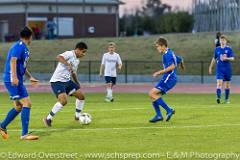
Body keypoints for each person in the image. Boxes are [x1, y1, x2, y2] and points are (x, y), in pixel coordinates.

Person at [0, 26, 39, 140]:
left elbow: (21, 66)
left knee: (19, 107)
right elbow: (13, 60)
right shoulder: (19, 46)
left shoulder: (24, 48)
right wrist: (15, 77)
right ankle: (24, 134)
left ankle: (2, 126)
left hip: (17, 80)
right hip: (13, 80)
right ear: (30, 36)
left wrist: (30, 77)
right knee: (27, 103)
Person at [43, 42, 88, 127]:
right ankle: (48, 118)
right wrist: (67, 64)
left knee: (81, 96)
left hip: (67, 81)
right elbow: (59, 57)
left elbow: (73, 73)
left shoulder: (77, 60)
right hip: (57, 81)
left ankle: (77, 116)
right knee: (63, 101)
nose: (84, 54)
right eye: (83, 52)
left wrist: (77, 83)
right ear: (78, 50)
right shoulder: (69, 53)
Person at [149, 37, 179, 123]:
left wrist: (159, 72)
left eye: (158, 46)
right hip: (170, 78)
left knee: (152, 93)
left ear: (163, 46)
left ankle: (168, 110)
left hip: (169, 78)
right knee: (153, 95)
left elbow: (172, 66)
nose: (157, 48)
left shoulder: (167, 54)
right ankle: (159, 115)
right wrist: (181, 64)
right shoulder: (169, 52)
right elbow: (178, 59)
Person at [209, 35, 235, 104]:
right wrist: (210, 67)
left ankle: (226, 99)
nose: (222, 41)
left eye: (224, 40)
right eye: (221, 40)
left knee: (227, 85)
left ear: (226, 41)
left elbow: (232, 58)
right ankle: (218, 97)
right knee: (219, 83)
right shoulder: (217, 49)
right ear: (219, 41)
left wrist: (226, 58)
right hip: (219, 69)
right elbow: (214, 58)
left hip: (227, 69)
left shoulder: (229, 49)